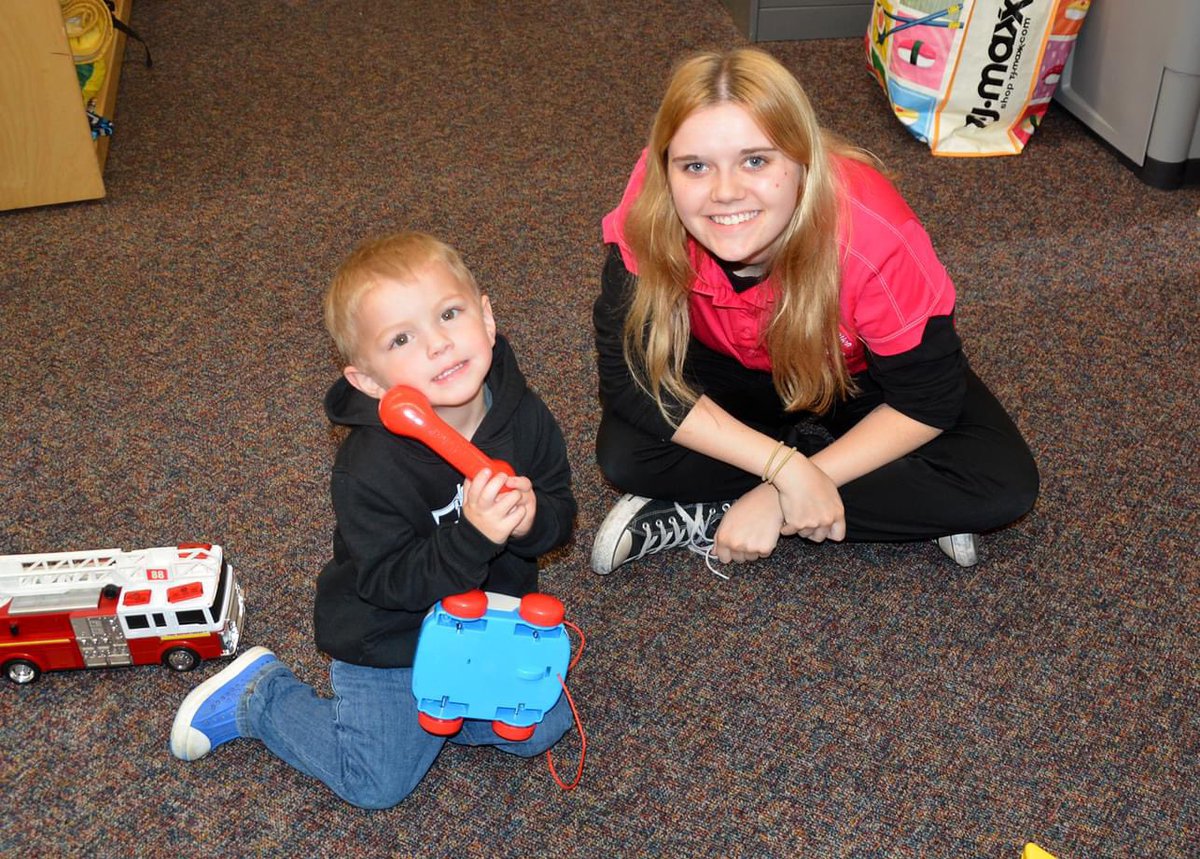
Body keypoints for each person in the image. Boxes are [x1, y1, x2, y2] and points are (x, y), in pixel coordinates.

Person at [591, 48, 1038, 576]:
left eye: (756, 160)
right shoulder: (650, 208)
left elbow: (929, 400)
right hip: (724, 364)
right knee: (626, 455)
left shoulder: (874, 235)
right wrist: (783, 468)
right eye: (695, 166)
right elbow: (631, 382)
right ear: (666, 170)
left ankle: (726, 508)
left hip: (854, 377)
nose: (725, 192)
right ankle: (900, 501)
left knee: (1000, 482)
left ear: (803, 161)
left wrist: (780, 492)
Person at [170, 231, 577, 809]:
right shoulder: (368, 467)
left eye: (451, 314)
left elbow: (559, 516)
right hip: (390, 637)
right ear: (367, 380)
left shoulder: (522, 413)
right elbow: (388, 584)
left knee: (542, 726)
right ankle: (260, 696)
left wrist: (533, 519)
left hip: (486, 624)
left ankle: (442, 713)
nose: (439, 344)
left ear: (487, 319)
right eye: (402, 338)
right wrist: (474, 536)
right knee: (377, 784)